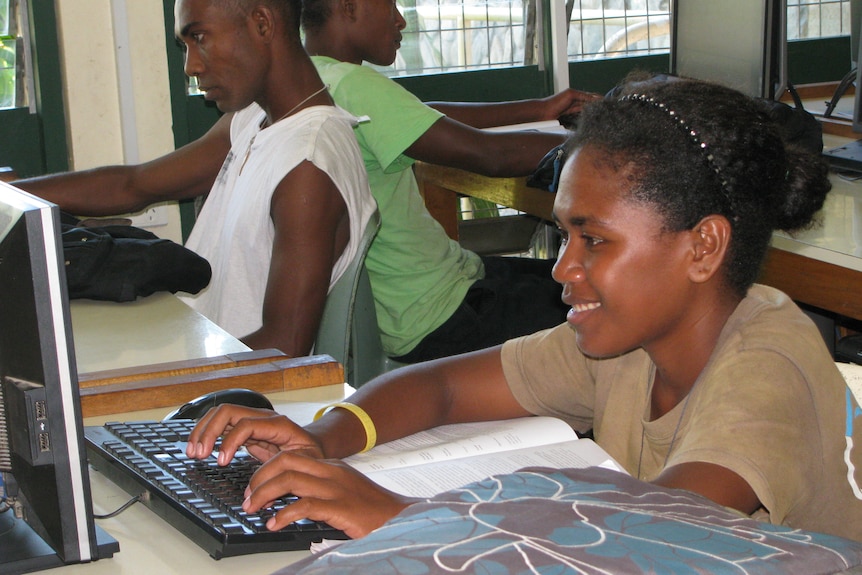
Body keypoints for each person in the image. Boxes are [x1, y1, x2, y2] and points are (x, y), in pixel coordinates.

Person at [186, 76, 862, 544]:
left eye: (593, 239)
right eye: (564, 236)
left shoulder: (763, 364)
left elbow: (652, 530)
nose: (564, 267)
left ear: (703, 247)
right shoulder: (628, 341)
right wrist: (327, 438)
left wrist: (407, 516)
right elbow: (445, 386)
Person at [14, 0, 376, 358]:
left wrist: (157, 377)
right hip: (200, 347)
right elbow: (134, 185)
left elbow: (283, 346)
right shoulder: (254, 120)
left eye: (199, 37)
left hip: (232, 400)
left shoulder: (308, 162)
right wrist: (10, 197)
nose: (191, 66)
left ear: (262, 23)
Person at [300, 0, 599, 363]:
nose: (399, 21)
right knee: (605, 299)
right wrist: (604, 142)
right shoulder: (354, 84)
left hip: (421, 301)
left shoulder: (314, 79)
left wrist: (539, 108)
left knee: (576, 279)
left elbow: (424, 115)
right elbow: (491, 156)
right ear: (349, 7)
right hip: (444, 315)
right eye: (389, 6)